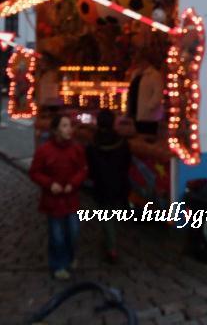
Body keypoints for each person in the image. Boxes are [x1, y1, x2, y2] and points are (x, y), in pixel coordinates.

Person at [29, 114, 88, 280]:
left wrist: (73, 183)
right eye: (64, 126)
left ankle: (70, 257)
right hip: (53, 201)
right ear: (55, 130)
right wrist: (49, 184)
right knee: (57, 236)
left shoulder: (77, 149)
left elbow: (83, 169)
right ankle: (58, 265)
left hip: (71, 199)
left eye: (70, 126)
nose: (69, 129)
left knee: (73, 232)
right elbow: (34, 172)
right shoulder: (44, 151)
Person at [85, 109, 132, 263]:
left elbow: (90, 167)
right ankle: (110, 241)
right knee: (113, 213)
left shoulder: (93, 143)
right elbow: (127, 163)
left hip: (101, 185)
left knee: (106, 215)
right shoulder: (122, 142)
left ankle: (111, 246)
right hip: (119, 184)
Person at [127, 51, 164, 135]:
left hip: (148, 115)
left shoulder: (155, 75)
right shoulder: (135, 74)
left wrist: (150, 106)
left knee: (147, 135)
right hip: (136, 112)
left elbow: (158, 93)